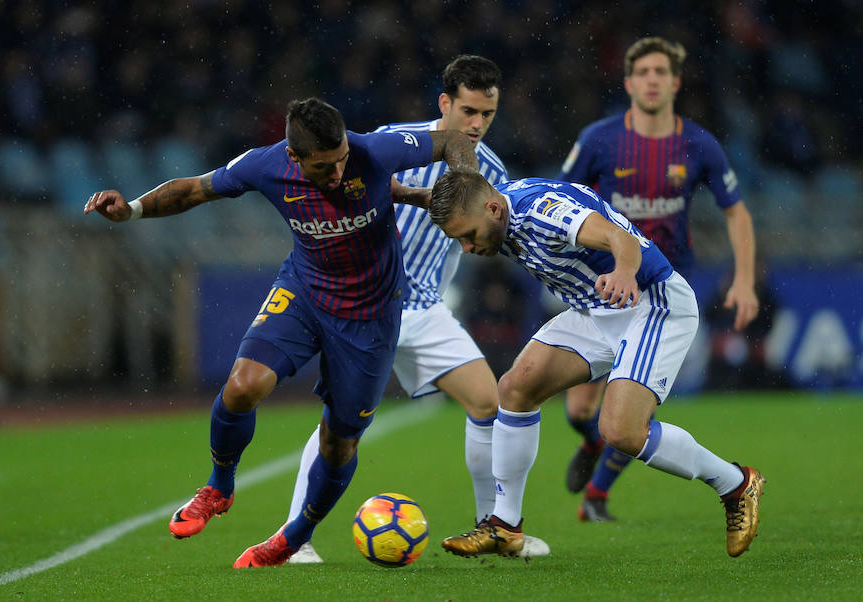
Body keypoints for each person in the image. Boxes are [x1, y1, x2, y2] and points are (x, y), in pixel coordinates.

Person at [84, 97, 479, 568]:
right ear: (294, 157)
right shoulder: (265, 165)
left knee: (340, 441)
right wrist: (130, 210)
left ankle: (294, 536)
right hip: (305, 291)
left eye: (341, 161)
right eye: (323, 167)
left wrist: (464, 184)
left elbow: (453, 140)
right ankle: (219, 486)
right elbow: (194, 190)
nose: (337, 173)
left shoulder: (373, 150)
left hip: (372, 314)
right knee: (242, 385)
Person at [285, 55, 548, 564]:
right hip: (368, 303)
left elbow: (487, 240)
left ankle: (494, 528)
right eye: (468, 110)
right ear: (445, 102)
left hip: (425, 306)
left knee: (488, 403)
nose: (477, 123)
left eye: (488, 114)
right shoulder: (391, 142)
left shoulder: (491, 171)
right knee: (340, 423)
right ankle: (295, 538)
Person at [428, 169, 765, 559]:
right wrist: (399, 192)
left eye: (469, 235)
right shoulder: (488, 207)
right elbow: (451, 201)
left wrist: (623, 272)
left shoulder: (545, 213)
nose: (467, 247)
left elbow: (620, 238)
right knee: (515, 389)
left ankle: (736, 484)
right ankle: (505, 525)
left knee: (622, 431)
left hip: (649, 303)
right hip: (596, 309)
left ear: (493, 210)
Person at [556, 37, 760, 522]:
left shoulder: (698, 144)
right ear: (628, 83)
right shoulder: (599, 140)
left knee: (633, 407)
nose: (652, 80)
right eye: (643, 72)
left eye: (660, 72)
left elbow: (736, 212)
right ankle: (592, 442)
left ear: (675, 83)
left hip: (665, 292)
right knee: (580, 410)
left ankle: (597, 495)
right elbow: (560, 196)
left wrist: (745, 279)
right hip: (605, 285)